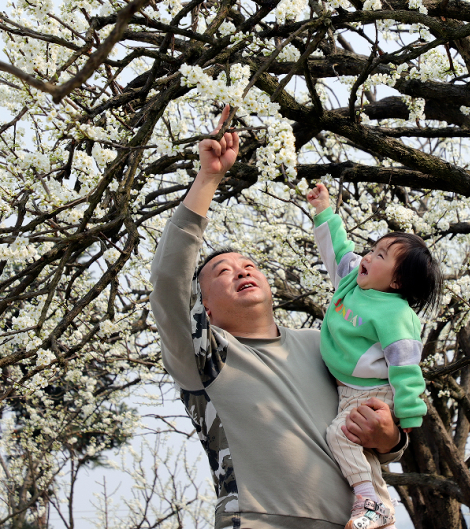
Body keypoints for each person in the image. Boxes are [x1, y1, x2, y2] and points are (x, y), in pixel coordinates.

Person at [150, 106, 407, 529]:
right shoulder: (205, 357)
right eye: (223, 271)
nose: (242, 271)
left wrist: (391, 436)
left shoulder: (324, 343)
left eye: (249, 265)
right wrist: (208, 179)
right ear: (204, 308)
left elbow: (376, 414)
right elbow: (168, 284)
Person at [306, 183, 442, 529]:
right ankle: (379, 511)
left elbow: (405, 365)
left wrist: (409, 412)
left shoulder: (395, 314)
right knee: (357, 448)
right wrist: (324, 210)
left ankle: (369, 500)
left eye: (381, 256)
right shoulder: (353, 280)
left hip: (374, 392)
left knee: (340, 435)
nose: (367, 257)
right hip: (350, 387)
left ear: (397, 283)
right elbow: (337, 250)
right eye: (373, 249)